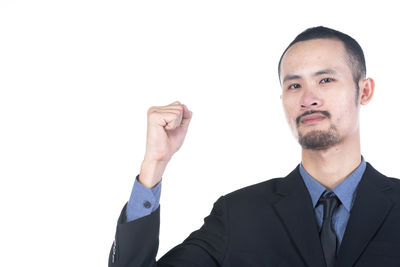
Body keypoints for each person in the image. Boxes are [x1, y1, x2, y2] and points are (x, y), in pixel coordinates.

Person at [108, 26, 400, 267]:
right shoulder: (239, 215)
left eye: (325, 79)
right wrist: (154, 164)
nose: (308, 98)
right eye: (294, 85)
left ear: (364, 91)